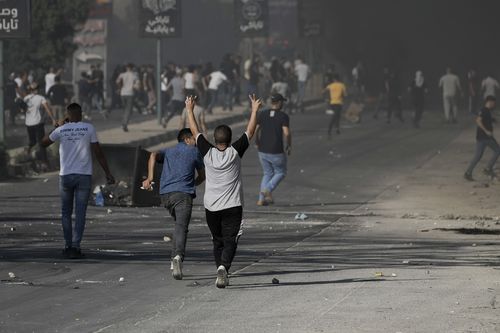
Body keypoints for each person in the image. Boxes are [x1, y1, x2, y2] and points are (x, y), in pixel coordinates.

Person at [185, 94, 261, 288]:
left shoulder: (207, 153)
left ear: (214, 139)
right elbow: (249, 132)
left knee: (217, 240)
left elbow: (195, 132)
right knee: (231, 239)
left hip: (211, 206)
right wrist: (254, 110)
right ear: (229, 140)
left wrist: (189, 110)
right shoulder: (235, 153)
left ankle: (220, 267)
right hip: (233, 206)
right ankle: (224, 268)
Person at [42, 103, 115, 259]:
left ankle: (68, 246)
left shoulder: (61, 130)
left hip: (66, 176)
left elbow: (43, 142)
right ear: (80, 114)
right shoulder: (89, 128)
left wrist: (58, 125)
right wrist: (108, 172)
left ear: (68, 115)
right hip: (83, 176)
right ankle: (76, 246)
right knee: (80, 213)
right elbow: (98, 153)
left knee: (66, 213)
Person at [142, 129, 205, 280]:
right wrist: (192, 184)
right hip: (183, 194)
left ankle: (173, 259)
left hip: (166, 195)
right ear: (187, 139)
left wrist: (150, 178)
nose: (196, 142)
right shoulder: (194, 151)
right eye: (194, 139)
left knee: (179, 225)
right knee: (181, 227)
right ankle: (177, 257)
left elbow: (152, 155)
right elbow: (203, 175)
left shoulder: (169, 151)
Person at [255, 93, 291, 206]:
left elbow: (256, 130)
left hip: (262, 149)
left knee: (267, 173)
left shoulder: (262, 114)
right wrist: (289, 144)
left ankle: (261, 199)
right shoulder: (283, 116)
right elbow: (287, 132)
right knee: (281, 172)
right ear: (279, 103)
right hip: (276, 150)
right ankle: (268, 189)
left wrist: (257, 142)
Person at [464, 96, 500, 181]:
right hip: (485, 137)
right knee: (498, 150)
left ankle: (468, 173)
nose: (494, 105)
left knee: (478, 156)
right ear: (490, 102)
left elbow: (489, 120)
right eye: (494, 103)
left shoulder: (486, 111)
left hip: (481, 137)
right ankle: (488, 168)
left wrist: (494, 120)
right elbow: (478, 120)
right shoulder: (484, 110)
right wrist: (487, 131)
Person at [23, 83, 56, 169]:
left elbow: (22, 109)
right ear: (37, 89)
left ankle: (28, 151)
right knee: (42, 143)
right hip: (38, 123)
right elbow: (47, 109)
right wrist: (53, 119)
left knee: (32, 141)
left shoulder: (26, 98)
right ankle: (44, 163)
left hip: (28, 123)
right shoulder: (41, 98)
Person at [116, 63, 137, 132]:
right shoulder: (135, 75)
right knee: (128, 110)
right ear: (132, 68)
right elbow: (137, 84)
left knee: (125, 109)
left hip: (123, 93)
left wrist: (119, 88)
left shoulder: (122, 75)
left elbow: (117, 81)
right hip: (130, 93)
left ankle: (124, 121)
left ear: (126, 68)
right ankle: (124, 124)